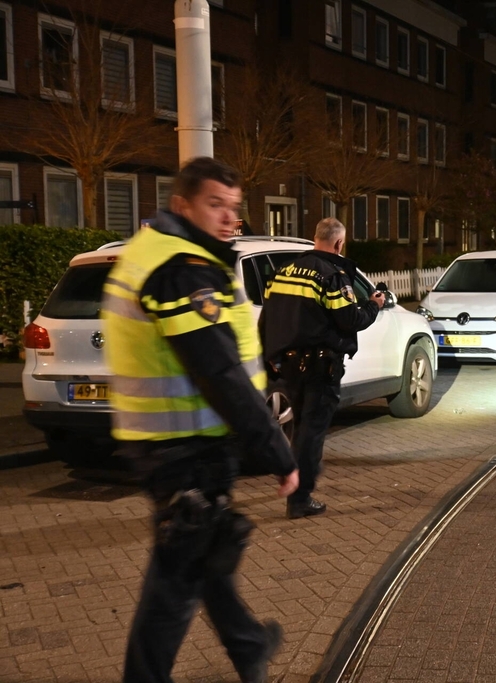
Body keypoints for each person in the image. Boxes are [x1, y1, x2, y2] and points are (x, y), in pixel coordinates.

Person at [102, 156, 299, 683]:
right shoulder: (181, 269)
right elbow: (218, 370)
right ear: (182, 204)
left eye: (234, 208)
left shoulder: (162, 253)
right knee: (174, 583)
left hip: (172, 441)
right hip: (184, 447)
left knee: (206, 552)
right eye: (215, 204)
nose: (228, 218)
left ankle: (248, 643)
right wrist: (277, 450)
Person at [259, 217, 385, 519]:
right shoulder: (332, 275)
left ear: (315, 237)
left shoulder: (284, 271)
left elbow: (267, 318)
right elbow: (350, 320)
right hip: (320, 366)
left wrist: (271, 359)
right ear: (339, 243)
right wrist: (374, 305)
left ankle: (296, 480)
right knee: (311, 433)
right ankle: (300, 498)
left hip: (289, 364)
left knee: (301, 427)